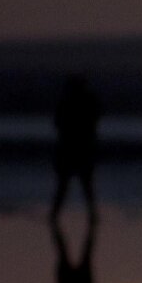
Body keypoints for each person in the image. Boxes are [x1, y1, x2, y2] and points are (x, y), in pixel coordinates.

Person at [50, 74, 102, 221]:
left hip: (73, 150)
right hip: (78, 150)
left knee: (69, 187)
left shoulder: (68, 102)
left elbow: (58, 124)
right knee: (82, 187)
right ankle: (91, 216)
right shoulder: (87, 102)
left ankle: (55, 216)